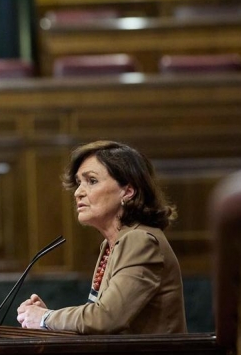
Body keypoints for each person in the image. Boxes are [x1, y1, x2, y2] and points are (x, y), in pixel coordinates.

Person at [16, 141, 187, 334]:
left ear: (128, 191)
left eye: (92, 181)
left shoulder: (140, 240)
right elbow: (99, 324)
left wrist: (46, 318)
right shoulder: (111, 243)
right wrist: (50, 319)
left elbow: (106, 318)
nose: (78, 192)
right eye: (79, 183)